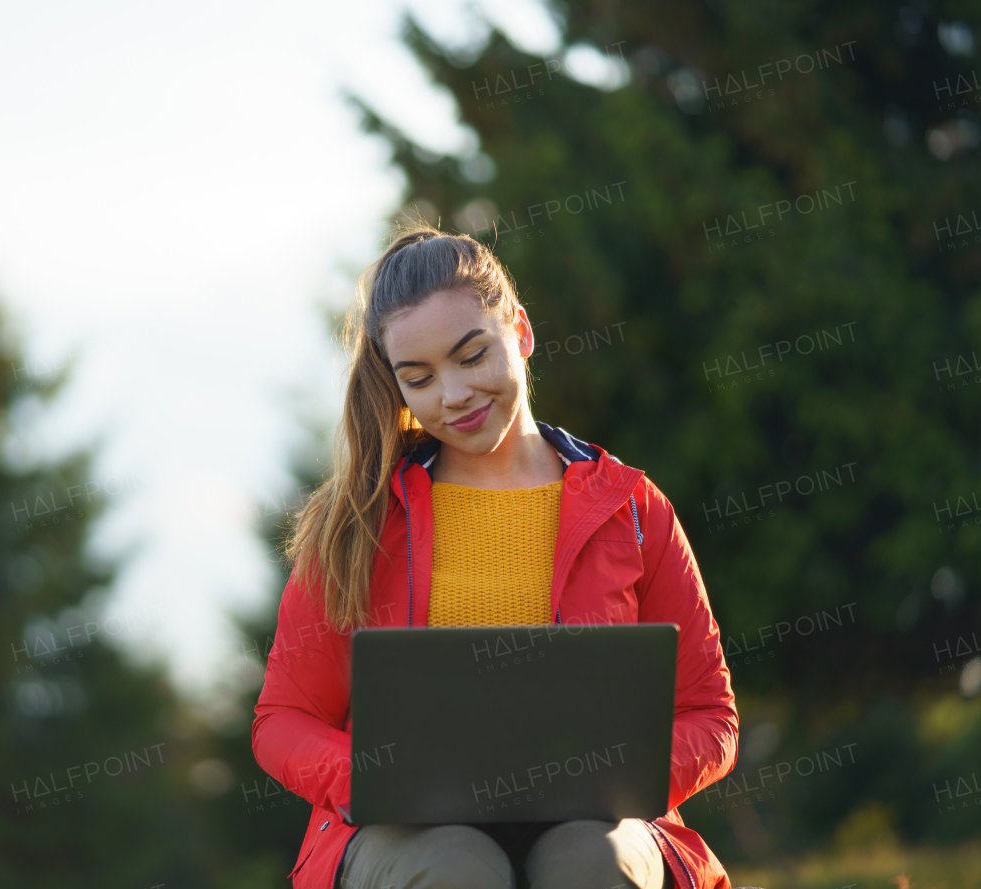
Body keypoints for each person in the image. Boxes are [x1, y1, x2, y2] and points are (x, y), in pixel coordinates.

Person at [251, 226, 741, 889]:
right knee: (454, 868)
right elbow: (283, 720)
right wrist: (375, 776)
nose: (452, 395)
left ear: (521, 330)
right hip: (410, 835)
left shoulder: (633, 508)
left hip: (596, 826)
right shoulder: (357, 526)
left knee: (594, 863)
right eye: (418, 378)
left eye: (471, 355)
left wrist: (622, 771)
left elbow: (710, 715)